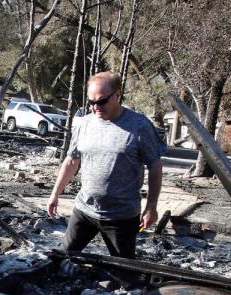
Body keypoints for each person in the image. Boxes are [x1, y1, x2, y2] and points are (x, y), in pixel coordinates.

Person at [47, 72, 164, 259]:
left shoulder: (139, 126)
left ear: (118, 95)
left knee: (124, 274)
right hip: (84, 210)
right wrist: (55, 194)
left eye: (101, 101)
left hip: (121, 215)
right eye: (91, 102)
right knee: (61, 258)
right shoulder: (83, 124)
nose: (95, 107)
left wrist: (151, 206)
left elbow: (155, 166)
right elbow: (71, 161)